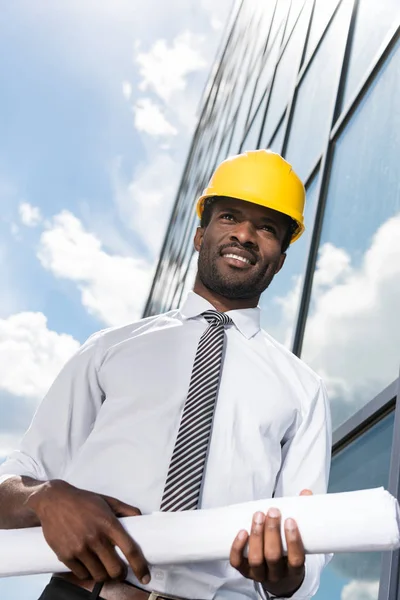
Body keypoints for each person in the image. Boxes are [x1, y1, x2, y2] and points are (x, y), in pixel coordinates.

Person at [0, 150, 332, 600]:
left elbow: (305, 562)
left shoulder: (303, 390)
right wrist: (45, 496)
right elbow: (14, 484)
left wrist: (286, 571)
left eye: (267, 228)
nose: (245, 235)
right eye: (230, 216)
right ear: (200, 236)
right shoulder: (108, 349)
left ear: (280, 258)